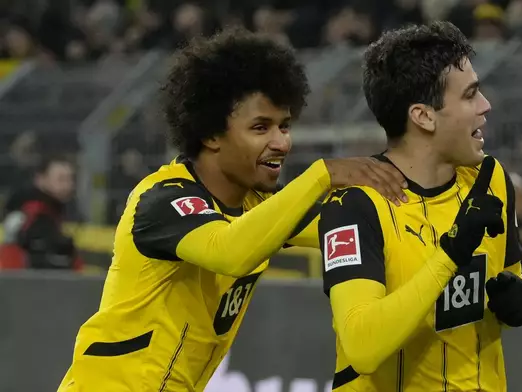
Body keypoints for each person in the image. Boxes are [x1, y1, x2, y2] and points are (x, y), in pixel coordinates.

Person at [58, 28, 407, 392]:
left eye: (284, 126)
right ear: (210, 134)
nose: (281, 142)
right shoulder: (162, 199)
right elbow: (229, 251)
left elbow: (354, 227)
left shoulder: (259, 205)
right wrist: (321, 175)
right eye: (260, 128)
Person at [318, 23, 522, 392]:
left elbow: (506, 280)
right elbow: (362, 346)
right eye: (470, 96)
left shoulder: (490, 178)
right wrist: (449, 254)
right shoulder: (355, 205)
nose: (486, 106)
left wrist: (515, 302)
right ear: (423, 116)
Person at [0, 155, 81, 270]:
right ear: (41, 179)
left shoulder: (59, 209)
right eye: (61, 179)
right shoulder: (32, 211)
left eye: (70, 179)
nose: (68, 185)